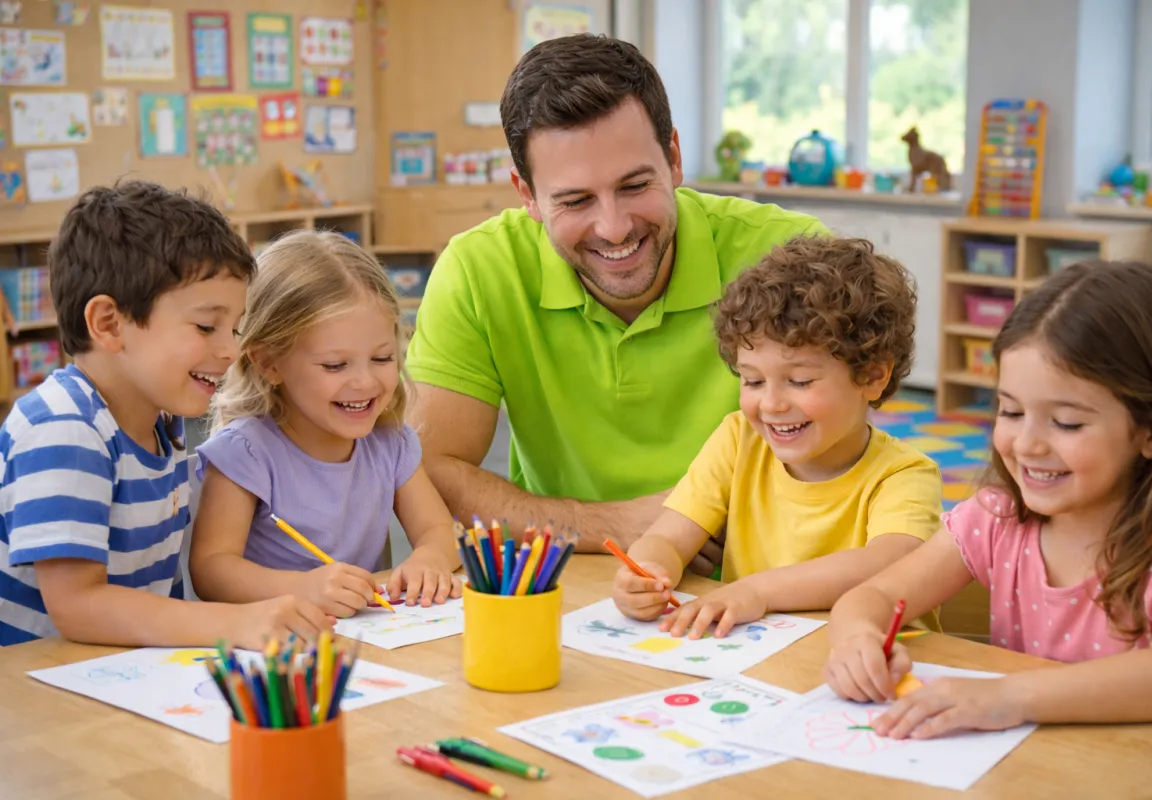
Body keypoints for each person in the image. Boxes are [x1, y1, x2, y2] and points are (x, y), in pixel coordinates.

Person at [404, 34, 829, 572]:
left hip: (772, 580)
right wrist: (621, 525)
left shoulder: (792, 255)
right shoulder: (477, 269)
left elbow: (857, 453)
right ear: (527, 194)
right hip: (579, 573)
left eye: (634, 185)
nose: (614, 227)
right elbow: (430, 470)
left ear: (673, 158)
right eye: (576, 200)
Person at [824, 260, 1152, 739]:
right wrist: (858, 640)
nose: (1028, 444)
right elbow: (871, 596)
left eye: (1066, 422)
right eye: (1010, 411)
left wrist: (1010, 697)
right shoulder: (996, 520)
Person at [0, 181, 332, 648]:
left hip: (119, 677)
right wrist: (233, 624)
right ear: (110, 324)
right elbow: (77, 607)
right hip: (42, 694)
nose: (231, 349)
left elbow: (153, 599)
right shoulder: (64, 427)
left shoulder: (163, 425)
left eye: (235, 328)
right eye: (205, 326)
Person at [611, 237, 943, 636]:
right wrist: (649, 570)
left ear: (872, 376)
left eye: (800, 381)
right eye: (752, 380)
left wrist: (756, 591)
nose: (771, 404)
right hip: (767, 667)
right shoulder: (737, 440)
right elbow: (667, 535)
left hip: (878, 669)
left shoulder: (904, 474)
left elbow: (888, 562)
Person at [190, 231, 462, 616]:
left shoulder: (390, 442)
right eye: (335, 365)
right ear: (269, 363)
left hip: (367, 643)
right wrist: (302, 588)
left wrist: (430, 561)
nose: (366, 382)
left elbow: (439, 531)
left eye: (382, 358)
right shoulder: (245, 452)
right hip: (279, 654)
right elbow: (211, 570)